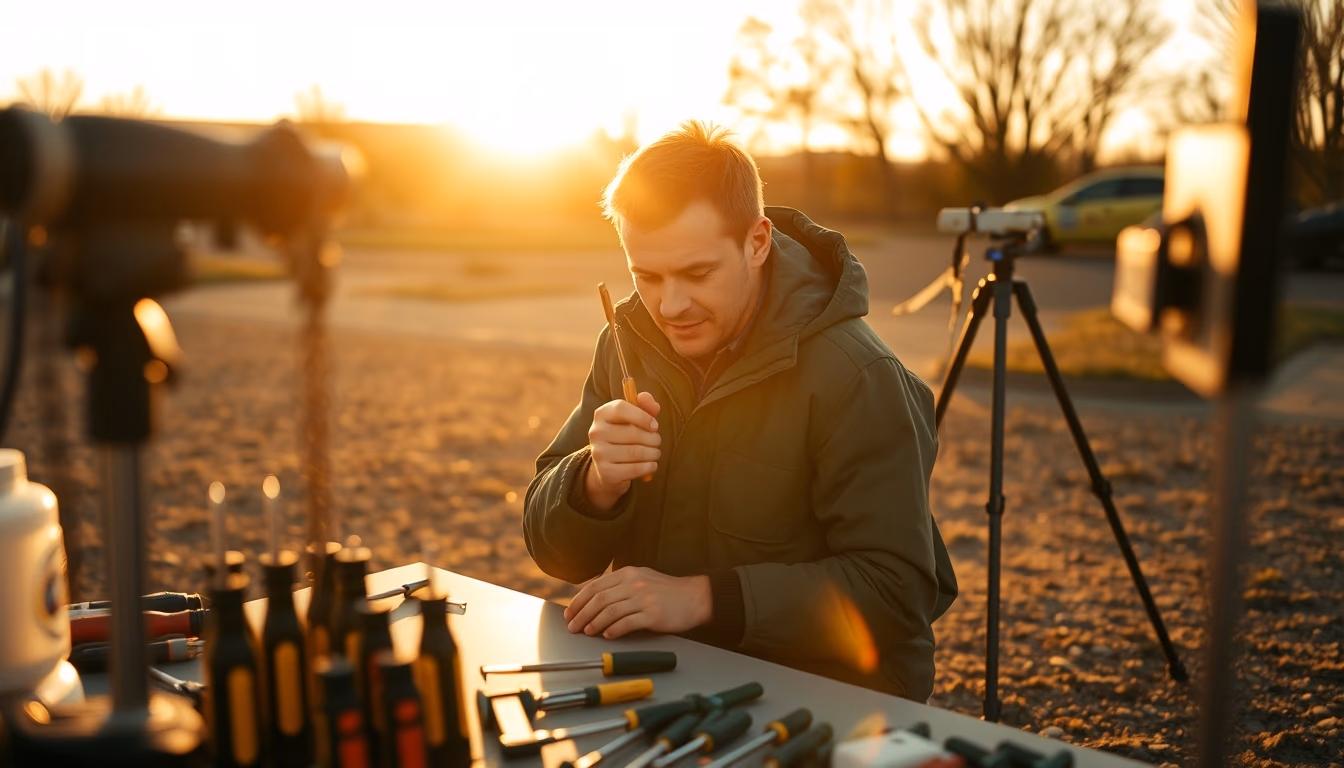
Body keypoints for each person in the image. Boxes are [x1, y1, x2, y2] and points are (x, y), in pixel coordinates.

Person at [522, 120, 957, 701]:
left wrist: (701, 598)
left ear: (757, 241)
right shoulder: (629, 340)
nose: (670, 306)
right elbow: (553, 552)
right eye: (645, 276)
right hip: (671, 672)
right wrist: (594, 483)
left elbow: (897, 592)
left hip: (830, 693)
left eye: (697, 273)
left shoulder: (857, 375)